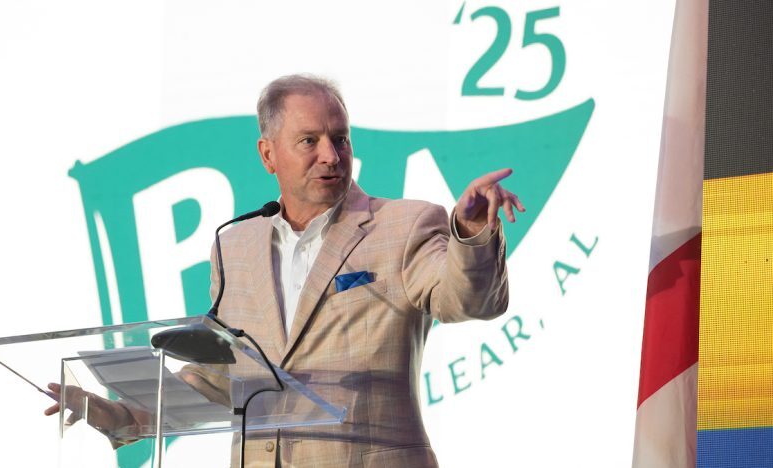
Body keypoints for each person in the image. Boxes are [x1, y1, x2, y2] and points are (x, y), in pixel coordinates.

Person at [46, 74, 523, 467]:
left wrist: (471, 231)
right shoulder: (234, 246)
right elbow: (219, 377)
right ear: (268, 154)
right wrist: (121, 415)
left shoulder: (404, 224)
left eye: (340, 139)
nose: (331, 155)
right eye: (309, 141)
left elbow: (469, 301)